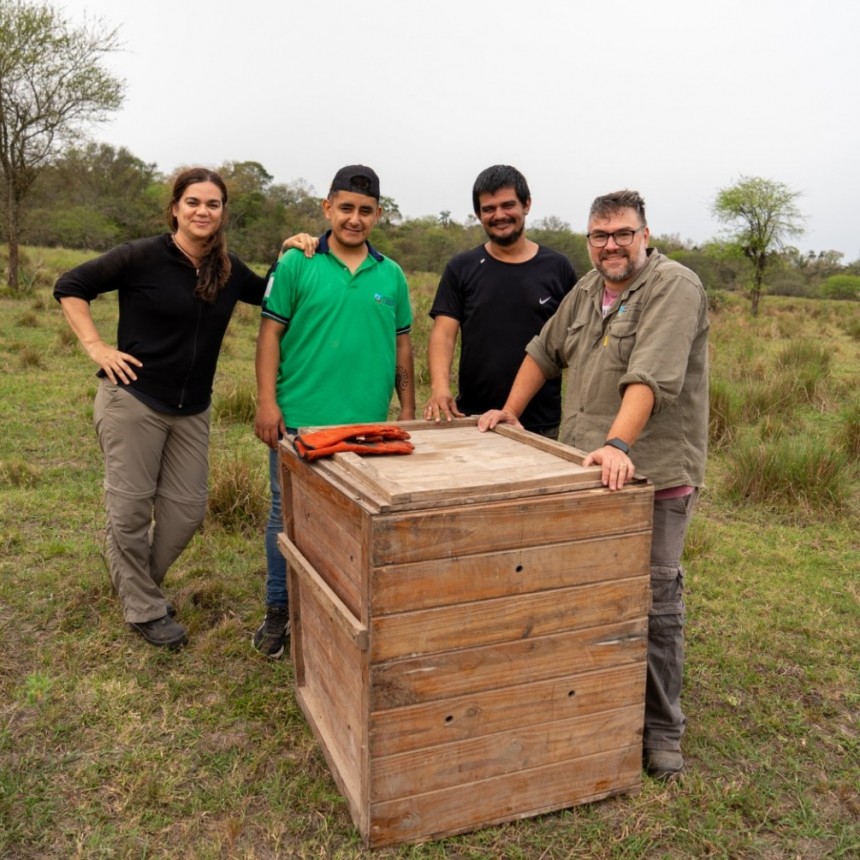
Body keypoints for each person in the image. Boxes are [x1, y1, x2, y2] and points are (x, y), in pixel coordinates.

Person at [479, 190, 709, 779]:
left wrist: (618, 444)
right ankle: (592, 710)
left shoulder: (673, 287)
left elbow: (651, 377)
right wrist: (508, 411)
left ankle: (661, 730)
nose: (611, 245)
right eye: (600, 236)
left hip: (650, 475)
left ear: (646, 233)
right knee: (584, 597)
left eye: (623, 234)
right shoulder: (586, 289)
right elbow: (542, 351)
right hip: (585, 474)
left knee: (655, 601)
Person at [54, 167, 302, 649]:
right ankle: (145, 607)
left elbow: (275, 292)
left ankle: (133, 581)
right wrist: (98, 348)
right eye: (193, 202)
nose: (202, 211)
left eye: (212, 204)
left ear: (223, 212)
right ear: (175, 208)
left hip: (193, 410)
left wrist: (293, 253)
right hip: (133, 399)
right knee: (129, 510)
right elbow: (70, 285)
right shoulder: (141, 256)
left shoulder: (229, 270)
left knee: (186, 511)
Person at [253, 164, 415, 658]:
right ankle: (279, 610)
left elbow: (403, 346)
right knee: (288, 516)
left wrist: (406, 409)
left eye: (365, 211)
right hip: (300, 419)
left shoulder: (391, 274)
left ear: (378, 215)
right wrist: (266, 401)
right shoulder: (297, 263)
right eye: (345, 208)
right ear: (327, 208)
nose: (354, 219)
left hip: (368, 426)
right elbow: (269, 336)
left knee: (354, 522)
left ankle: (342, 614)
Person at [424, 164, 576, 437]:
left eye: (508, 205)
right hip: (473, 419)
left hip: (541, 423)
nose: (499, 215)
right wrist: (439, 388)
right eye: (489, 209)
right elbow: (444, 334)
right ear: (478, 214)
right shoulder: (462, 267)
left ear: (526, 205)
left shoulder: (558, 268)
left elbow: (574, 342)